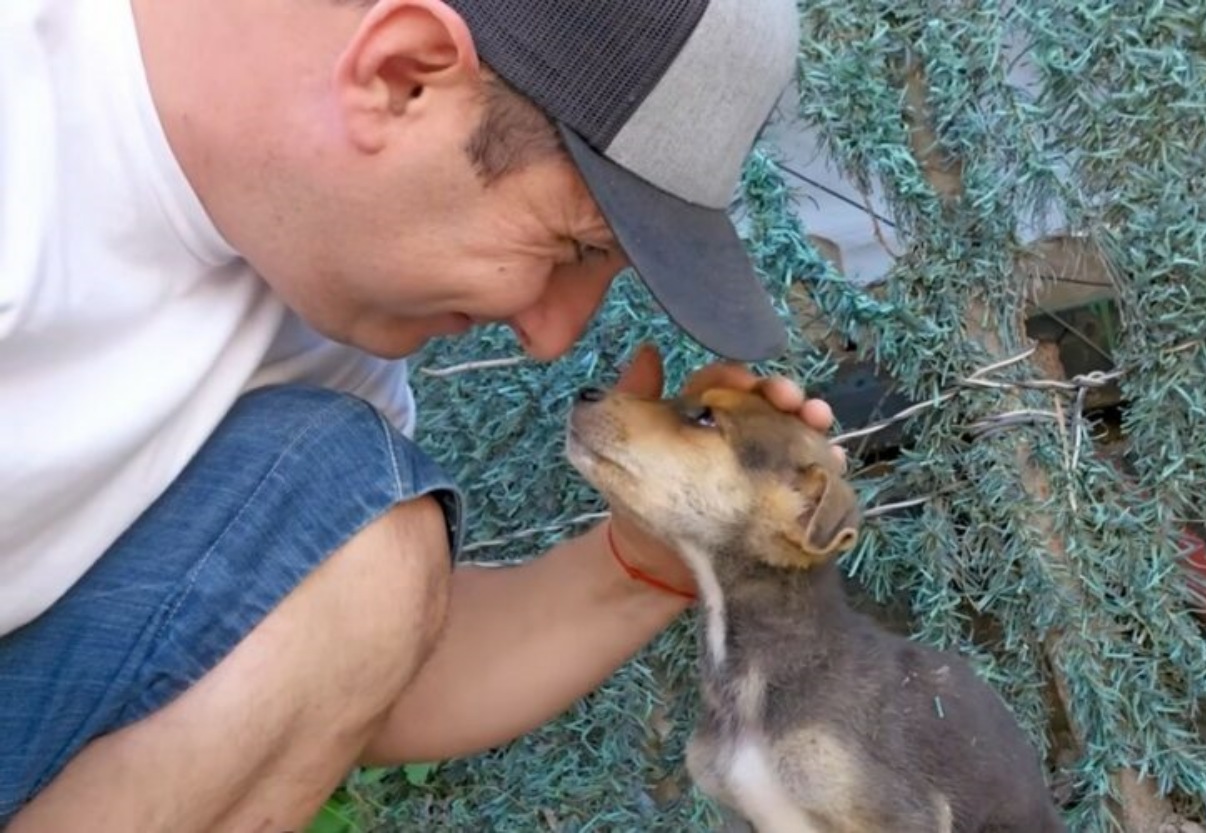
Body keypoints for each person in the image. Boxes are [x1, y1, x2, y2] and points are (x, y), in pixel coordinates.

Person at [0, 1, 843, 830]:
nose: (551, 335)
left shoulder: (310, 322)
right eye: (572, 247)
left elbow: (323, 673)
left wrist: (639, 564)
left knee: (372, 550)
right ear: (400, 77)